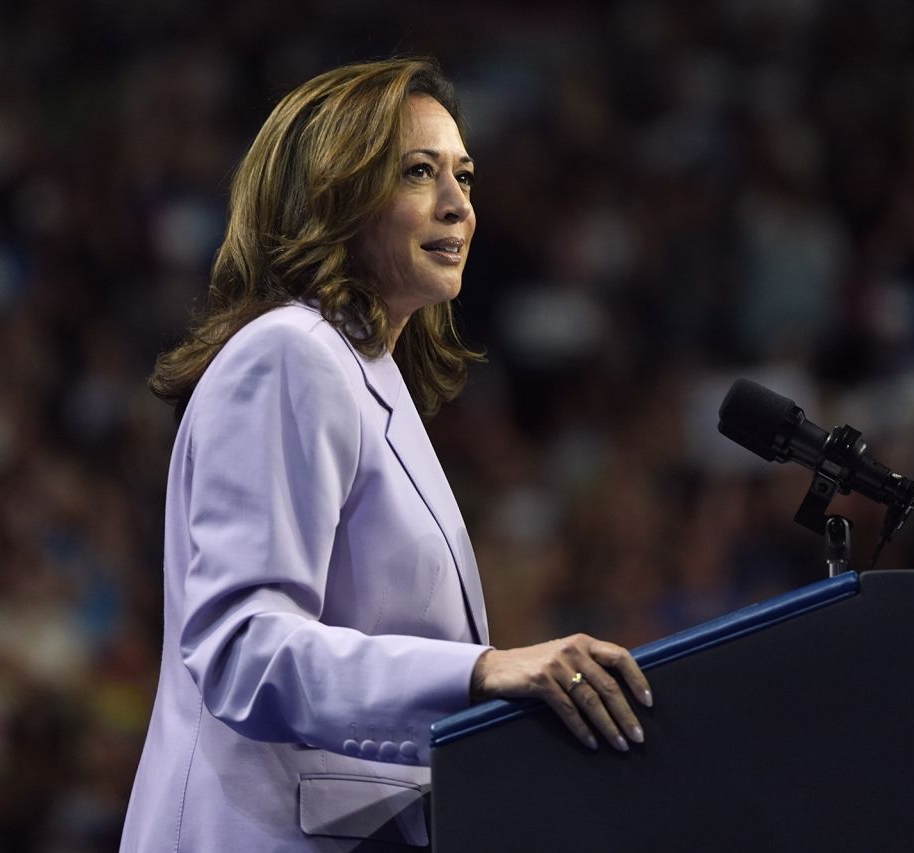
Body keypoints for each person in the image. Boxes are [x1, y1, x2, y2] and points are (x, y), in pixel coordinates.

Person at [119, 57, 652, 852]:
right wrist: (480, 672)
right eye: (417, 172)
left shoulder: (365, 371)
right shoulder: (290, 353)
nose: (458, 205)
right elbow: (241, 646)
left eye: (465, 177)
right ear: (333, 194)